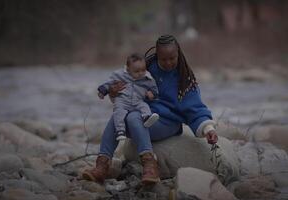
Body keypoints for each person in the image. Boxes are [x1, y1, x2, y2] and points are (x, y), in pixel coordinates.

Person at [82, 35, 218, 185]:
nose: (168, 63)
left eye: (172, 58)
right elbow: (126, 93)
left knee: (133, 117)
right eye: (163, 59)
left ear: (178, 54)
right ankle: (102, 166)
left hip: (167, 123)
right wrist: (113, 92)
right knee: (119, 115)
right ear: (157, 55)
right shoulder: (145, 69)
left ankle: (150, 166)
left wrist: (208, 129)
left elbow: (195, 108)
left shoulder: (184, 79)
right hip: (141, 114)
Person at [97, 53, 160, 141]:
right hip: (122, 100)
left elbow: (154, 88)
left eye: (143, 70)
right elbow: (109, 83)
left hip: (138, 101)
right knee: (118, 112)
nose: (141, 73)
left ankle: (147, 118)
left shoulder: (147, 78)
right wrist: (102, 91)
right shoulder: (120, 75)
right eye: (137, 71)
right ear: (128, 69)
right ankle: (120, 131)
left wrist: (152, 94)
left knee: (144, 106)